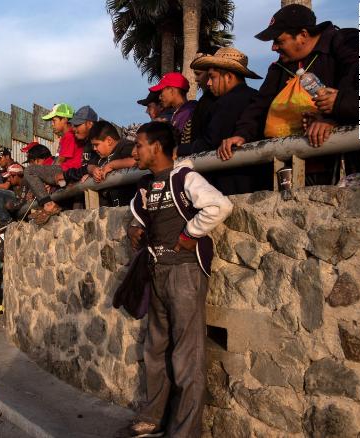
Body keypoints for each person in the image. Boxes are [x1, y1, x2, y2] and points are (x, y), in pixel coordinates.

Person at [121, 121, 232, 437]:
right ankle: (153, 419)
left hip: (185, 272)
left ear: (156, 147)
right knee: (155, 349)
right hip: (157, 272)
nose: (135, 151)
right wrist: (134, 228)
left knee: (187, 356)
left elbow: (220, 205)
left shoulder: (186, 177)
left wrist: (190, 233)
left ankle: (184, 431)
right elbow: (142, 214)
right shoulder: (147, 184)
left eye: (139, 145)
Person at [221, 5, 358, 154]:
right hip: (291, 164)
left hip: (346, 160)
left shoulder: (347, 42)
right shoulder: (279, 67)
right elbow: (259, 106)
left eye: (279, 41)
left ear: (303, 35)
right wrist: (241, 135)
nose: (273, 48)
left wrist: (334, 116)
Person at [184, 47, 265, 195]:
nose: (208, 83)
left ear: (228, 77)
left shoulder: (228, 102)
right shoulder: (255, 96)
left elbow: (210, 142)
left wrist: (177, 151)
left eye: (212, 77)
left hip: (232, 185)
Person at [89, 121, 137, 206]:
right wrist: (93, 170)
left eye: (96, 145)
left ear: (109, 140)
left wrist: (112, 165)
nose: (94, 148)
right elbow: (89, 166)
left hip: (129, 209)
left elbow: (137, 161)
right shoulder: (100, 156)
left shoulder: (125, 146)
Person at [149, 72, 197, 145]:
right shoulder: (179, 112)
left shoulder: (189, 111)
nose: (160, 97)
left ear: (171, 90)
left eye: (161, 92)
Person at [40, 103, 82, 171]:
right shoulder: (67, 136)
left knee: (31, 170)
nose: (52, 125)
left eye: (54, 121)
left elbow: (60, 160)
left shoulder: (69, 136)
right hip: (66, 170)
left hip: (69, 171)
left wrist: (50, 173)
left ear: (64, 119)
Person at [0, 163, 28, 229]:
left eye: (9, 177)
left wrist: (12, 205)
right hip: (16, 201)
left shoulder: (25, 183)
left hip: (21, 205)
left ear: (16, 175)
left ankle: (7, 220)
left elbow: (22, 201)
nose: (8, 179)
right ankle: (2, 221)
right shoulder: (14, 185)